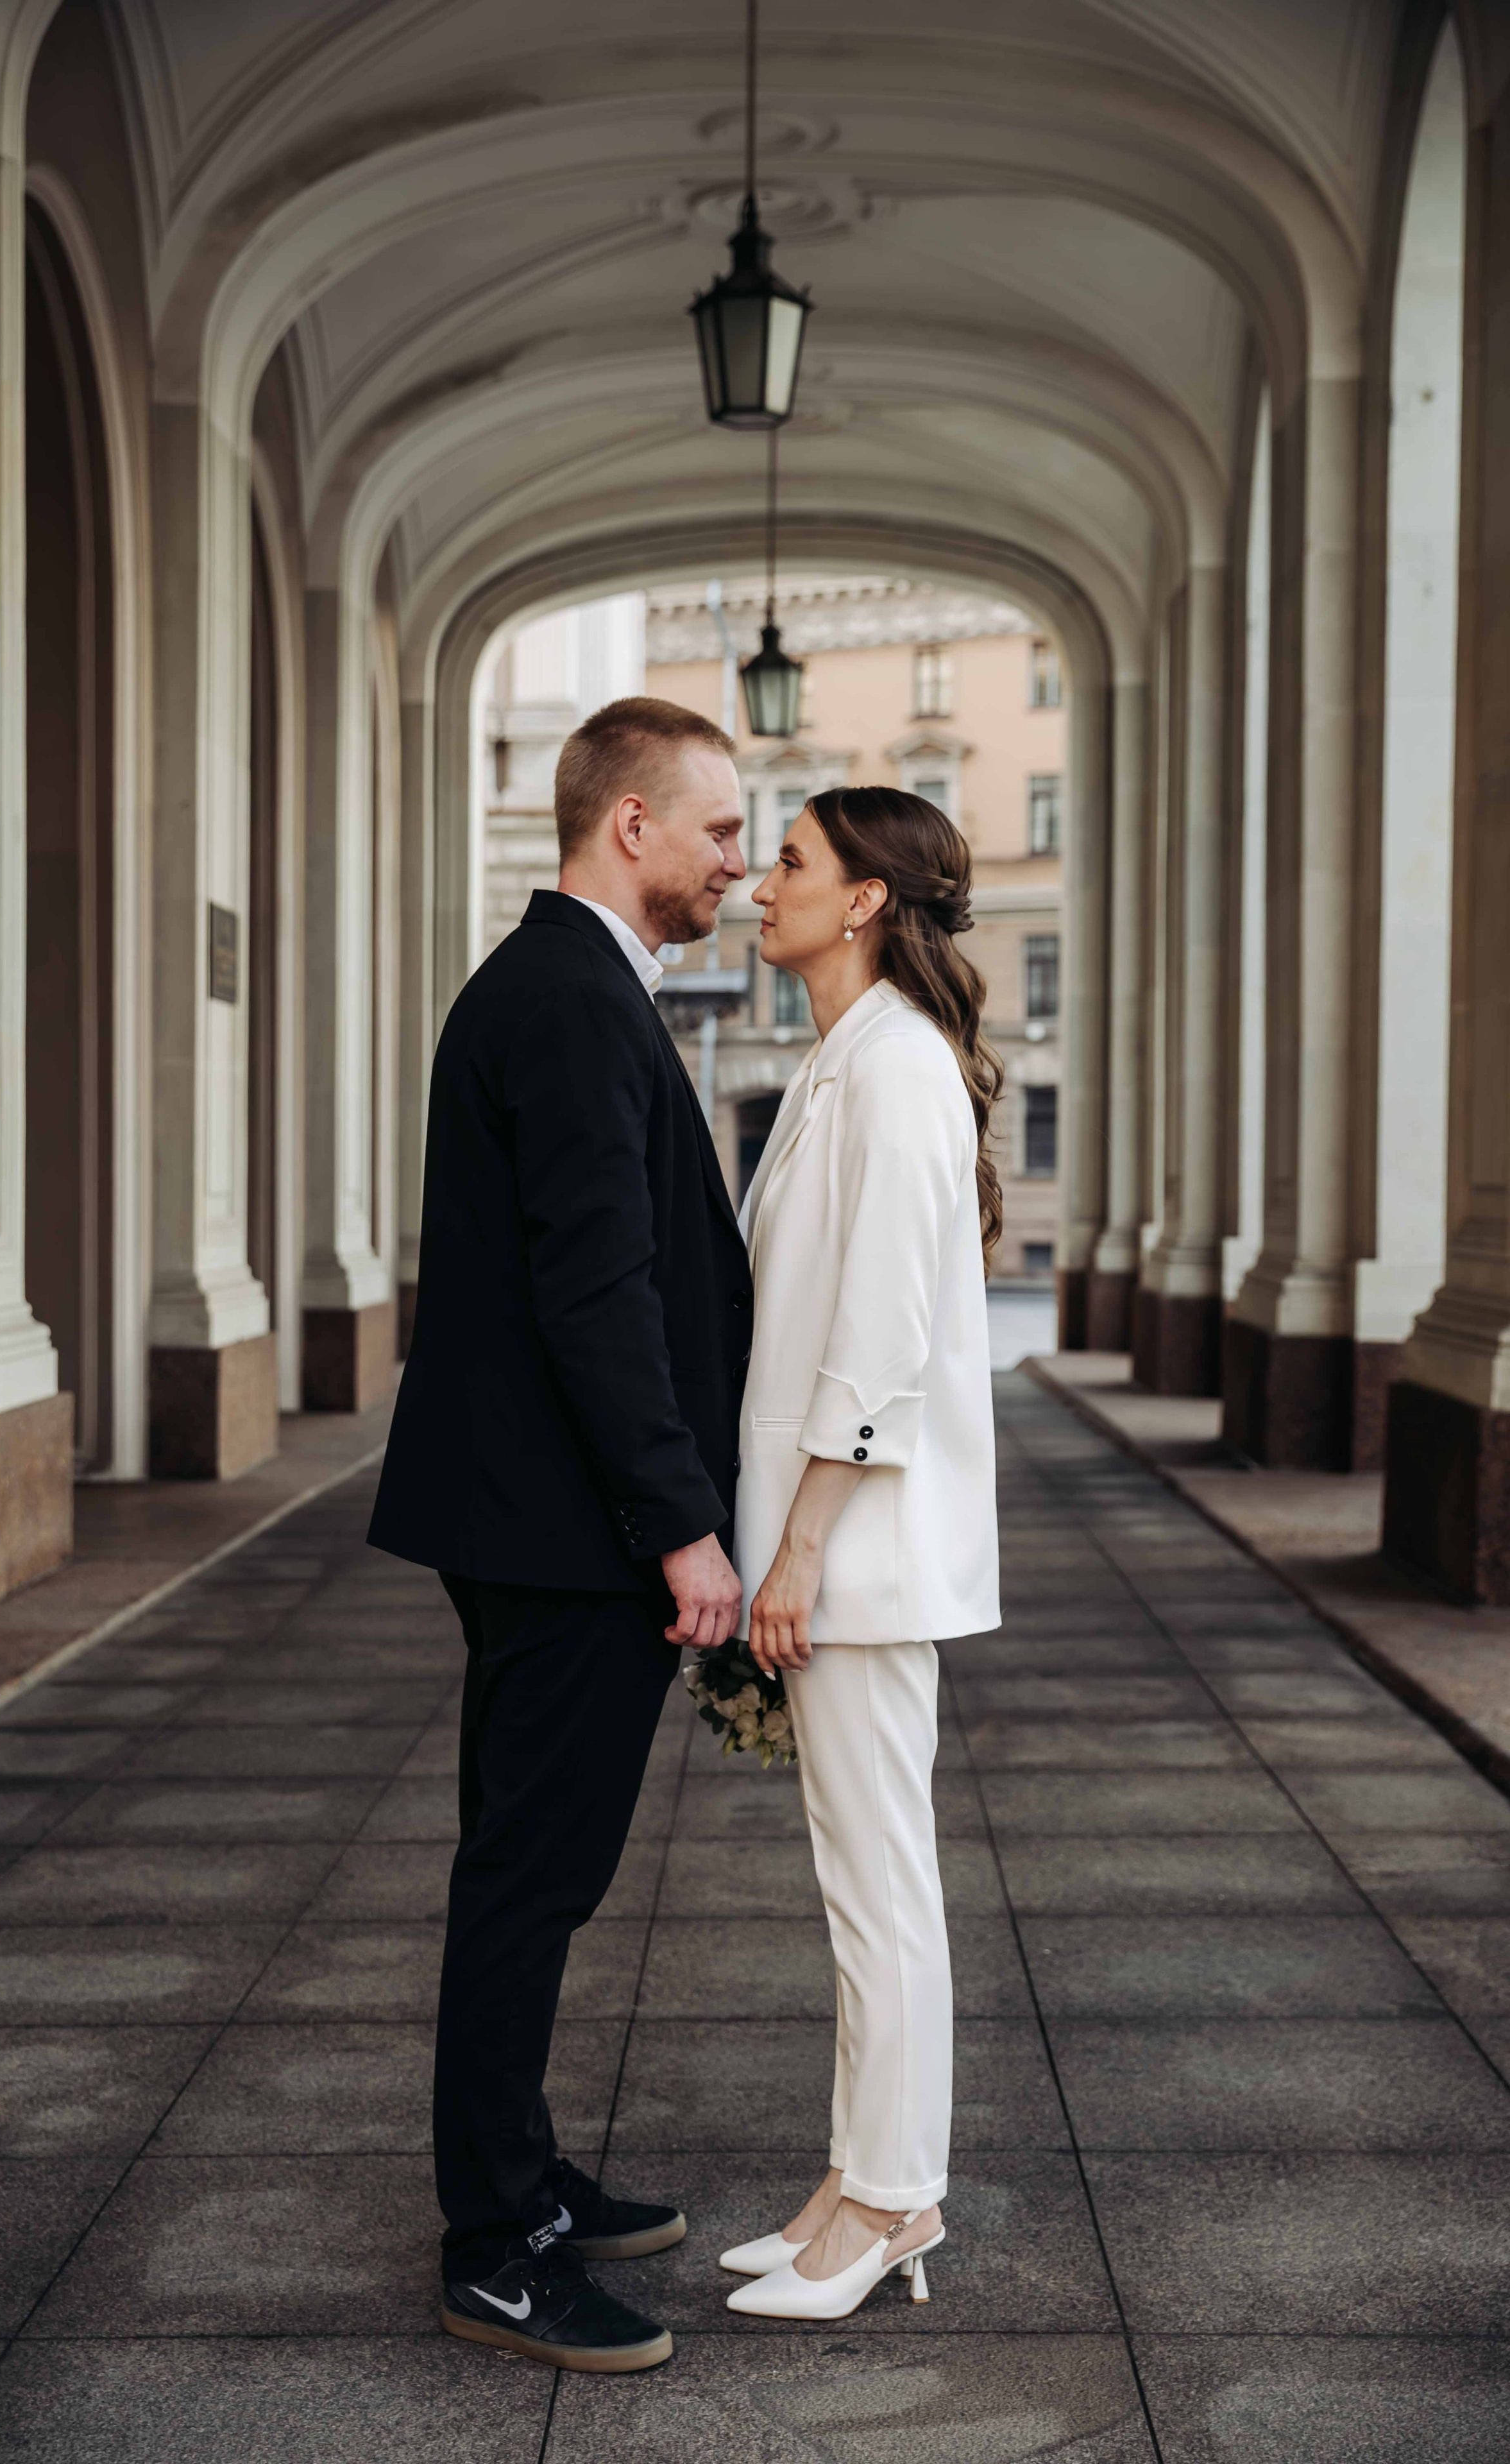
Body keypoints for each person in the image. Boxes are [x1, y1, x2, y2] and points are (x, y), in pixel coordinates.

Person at [368, 697, 752, 2372]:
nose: (739, 859)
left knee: (538, 1874)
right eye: (724, 830)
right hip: (566, 1534)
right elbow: (599, 1293)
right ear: (634, 829)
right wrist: (682, 1528)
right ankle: (496, 2244)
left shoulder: (569, 991)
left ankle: (523, 2185)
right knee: (528, 1882)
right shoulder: (575, 1005)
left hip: (541, 1521)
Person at [717, 785, 1002, 2322]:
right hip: (834, 1536)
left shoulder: (891, 1069)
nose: (760, 884)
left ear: (864, 901)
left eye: (788, 862)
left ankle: (893, 2202)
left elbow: (879, 1336)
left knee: (880, 1881)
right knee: (856, 1875)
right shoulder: (843, 1059)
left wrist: (801, 1546)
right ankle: (853, 2181)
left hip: (862, 1544)